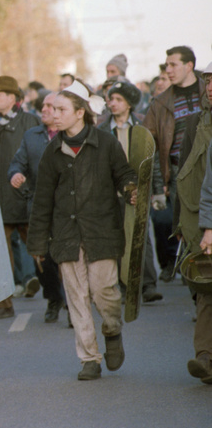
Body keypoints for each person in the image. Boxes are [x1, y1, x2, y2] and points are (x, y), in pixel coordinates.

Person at [28, 81, 136, 380]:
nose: (54, 114)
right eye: (52, 109)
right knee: (76, 298)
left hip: (102, 230)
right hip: (66, 235)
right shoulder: (52, 151)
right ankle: (89, 358)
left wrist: (130, 190)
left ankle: (112, 329)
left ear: (80, 113)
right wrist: (38, 242)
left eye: (61, 109)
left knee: (105, 292)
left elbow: (124, 174)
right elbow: (43, 199)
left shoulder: (106, 143)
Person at [98, 81, 163, 303]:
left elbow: (151, 160)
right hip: (113, 193)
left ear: (129, 104)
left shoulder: (142, 127)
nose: (112, 104)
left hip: (139, 189)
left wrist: (157, 191)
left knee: (141, 237)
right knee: (119, 238)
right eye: (110, 99)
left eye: (118, 100)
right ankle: (125, 286)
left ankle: (147, 285)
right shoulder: (103, 130)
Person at [144, 46, 203, 283]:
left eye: (173, 65)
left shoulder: (206, 90)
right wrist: (160, 185)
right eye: (166, 65)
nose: (167, 70)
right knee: (188, 231)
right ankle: (198, 292)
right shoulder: (160, 103)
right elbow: (151, 147)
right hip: (181, 171)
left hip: (208, 168)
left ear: (189, 66)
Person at [8, 92, 67, 323]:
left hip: (67, 209)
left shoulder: (71, 135)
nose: (43, 109)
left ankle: (74, 306)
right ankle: (54, 298)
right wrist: (16, 174)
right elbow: (17, 163)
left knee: (68, 258)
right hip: (39, 208)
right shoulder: (31, 136)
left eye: (50, 106)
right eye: (43, 105)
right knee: (42, 259)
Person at [0, 76, 41, 319]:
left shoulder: (30, 121)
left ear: (12, 98)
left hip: (27, 198)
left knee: (43, 251)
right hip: (1, 200)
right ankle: (4, 304)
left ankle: (61, 298)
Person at [177, 61, 212, 383]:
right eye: (209, 81)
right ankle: (204, 357)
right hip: (204, 218)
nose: (211, 87)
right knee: (206, 289)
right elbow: (186, 174)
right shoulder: (195, 123)